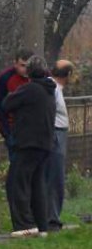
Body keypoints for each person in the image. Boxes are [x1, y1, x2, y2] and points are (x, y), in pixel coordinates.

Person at [2, 55, 56, 237]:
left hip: (28, 142)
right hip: (45, 143)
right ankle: (42, 225)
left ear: (29, 71)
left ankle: (24, 224)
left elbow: (6, 104)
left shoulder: (29, 89)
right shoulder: (49, 89)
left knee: (18, 183)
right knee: (38, 184)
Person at [45, 60, 75, 231]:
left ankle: (50, 216)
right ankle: (52, 218)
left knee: (54, 176)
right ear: (68, 75)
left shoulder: (54, 88)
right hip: (56, 134)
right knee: (55, 176)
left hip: (57, 133)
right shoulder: (53, 89)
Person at [0, 48, 34, 161]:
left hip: (35, 132)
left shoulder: (39, 77)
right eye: (22, 65)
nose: (25, 69)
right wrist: (6, 133)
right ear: (15, 63)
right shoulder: (5, 78)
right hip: (14, 131)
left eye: (28, 66)